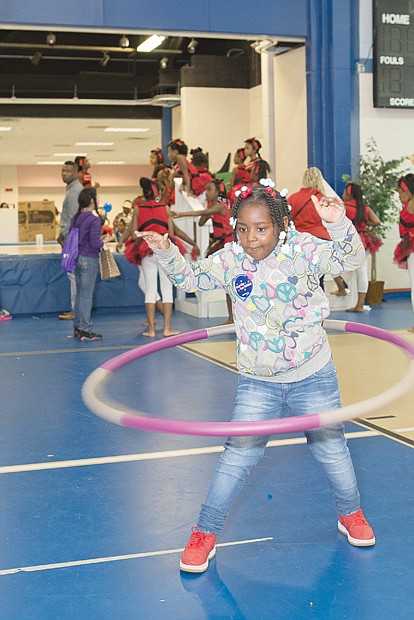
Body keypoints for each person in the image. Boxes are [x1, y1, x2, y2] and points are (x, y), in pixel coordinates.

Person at [137, 181, 375, 574]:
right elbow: (193, 280)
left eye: (261, 228)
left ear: (280, 223)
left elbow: (349, 260)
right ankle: (205, 532)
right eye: (243, 229)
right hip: (257, 381)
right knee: (236, 457)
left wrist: (338, 224)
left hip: (313, 373)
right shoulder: (231, 259)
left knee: (333, 452)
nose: (251, 238)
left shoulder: (303, 250)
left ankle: (350, 513)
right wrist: (166, 252)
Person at [172, 178, 234, 323]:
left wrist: (181, 214)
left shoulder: (221, 206)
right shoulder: (214, 207)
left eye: (209, 189)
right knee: (227, 283)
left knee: (229, 283)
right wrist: (207, 212)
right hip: (221, 243)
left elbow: (205, 213)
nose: (206, 192)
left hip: (228, 244)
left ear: (218, 192)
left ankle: (233, 318)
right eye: (205, 189)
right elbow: (201, 222)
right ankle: (231, 318)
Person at [289, 167, 348, 295]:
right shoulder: (324, 199)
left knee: (302, 277)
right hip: (322, 241)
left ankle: (303, 307)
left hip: (301, 242)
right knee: (318, 277)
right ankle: (320, 308)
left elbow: (288, 221)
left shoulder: (294, 198)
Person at [72, 187, 110, 341]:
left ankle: (78, 326)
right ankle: (86, 329)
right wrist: (104, 241)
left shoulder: (76, 218)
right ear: (91, 200)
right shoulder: (93, 219)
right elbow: (95, 242)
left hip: (77, 258)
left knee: (80, 294)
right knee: (87, 296)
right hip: (89, 258)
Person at [343, 182, 382, 312]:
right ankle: (360, 304)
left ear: (349, 194)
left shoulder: (345, 207)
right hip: (364, 239)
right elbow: (377, 221)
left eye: (344, 192)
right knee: (362, 271)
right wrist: (365, 222)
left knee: (345, 268)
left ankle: (355, 302)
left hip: (350, 240)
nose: (343, 195)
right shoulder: (364, 208)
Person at [57, 161, 83, 320]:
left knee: (74, 275)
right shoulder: (72, 190)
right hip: (71, 238)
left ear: (74, 173)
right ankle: (76, 308)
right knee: (73, 274)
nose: (64, 174)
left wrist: (66, 238)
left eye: (67, 171)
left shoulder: (74, 193)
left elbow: (74, 219)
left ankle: (76, 310)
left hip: (72, 239)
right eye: (62, 171)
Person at [393, 173, 414, 332]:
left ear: (408, 191)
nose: (399, 195)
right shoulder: (408, 204)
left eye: (400, 192)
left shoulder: (411, 204)